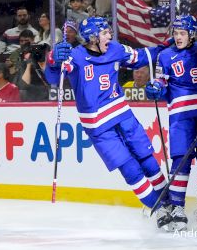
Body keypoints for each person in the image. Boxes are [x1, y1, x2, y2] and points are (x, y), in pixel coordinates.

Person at [47, 17, 173, 230]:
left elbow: (141, 57)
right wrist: (52, 60)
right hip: (98, 125)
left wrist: (163, 48)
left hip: (123, 114)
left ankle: (171, 203)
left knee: (147, 159)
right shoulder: (75, 56)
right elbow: (53, 77)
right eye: (105, 33)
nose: (110, 36)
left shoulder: (115, 49)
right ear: (93, 37)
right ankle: (159, 208)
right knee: (130, 168)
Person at [145, 15, 197, 231]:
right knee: (180, 162)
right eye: (175, 33)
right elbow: (161, 81)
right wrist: (156, 88)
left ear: (192, 34)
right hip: (180, 116)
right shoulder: (165, 55)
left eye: (182, 33)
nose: (178, 37)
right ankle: (177, 206)